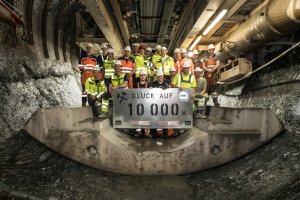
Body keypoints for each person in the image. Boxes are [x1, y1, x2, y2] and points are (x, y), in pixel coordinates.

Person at [151, 70, 174, 137]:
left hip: (166, 103)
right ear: (157, 77)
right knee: (157, 115)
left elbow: (171, 93)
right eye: (158, 76)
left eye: (161, 76)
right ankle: (159, 129)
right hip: (156, 103)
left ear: (163, 76)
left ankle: (170, 129)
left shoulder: (167, 83)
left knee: (168, 114)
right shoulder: (153, 84)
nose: (160, 77)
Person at [133, 69, 151, 137]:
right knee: (138, 117)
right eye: (141, 75)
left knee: (147, 117)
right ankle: (138, 131)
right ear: (139, 76)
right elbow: (133, 94)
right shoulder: (136, 84)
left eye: (144, 75)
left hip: (146, 104)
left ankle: (147, 131)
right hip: (138, 103)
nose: (142, 77)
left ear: (146, 76)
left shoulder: (149, 84)